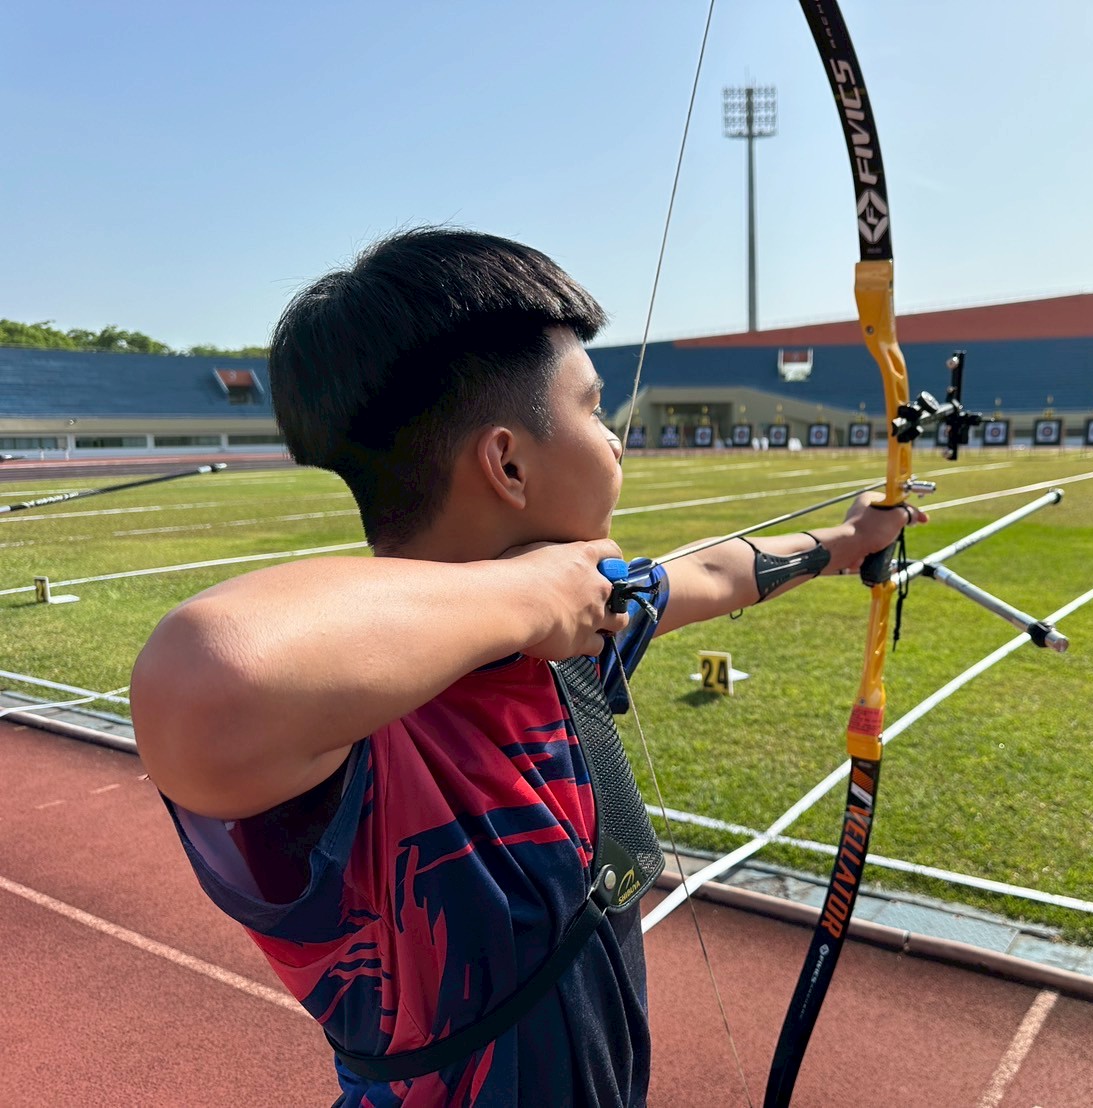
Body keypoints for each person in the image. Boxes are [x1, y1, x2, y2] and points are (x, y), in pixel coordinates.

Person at [130, 228, 923, 1107]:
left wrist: (844, 543)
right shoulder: (357, 744)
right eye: (592, 409)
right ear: (507, 462)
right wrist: (526, 593)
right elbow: (203, 675)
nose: (615, 443)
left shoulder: (570, 637)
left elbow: (704, 574)